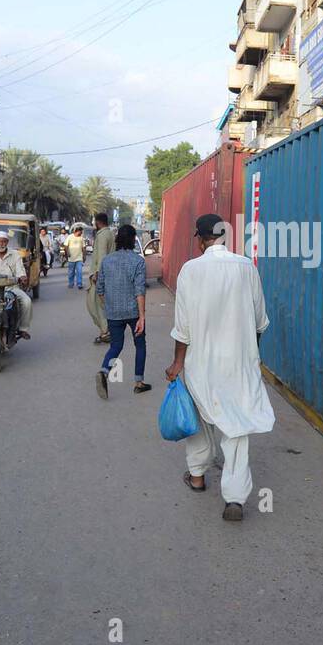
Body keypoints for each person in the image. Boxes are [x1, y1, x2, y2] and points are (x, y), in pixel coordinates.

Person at [165, 213, 274, 523]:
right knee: (237, 427)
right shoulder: (246, 267)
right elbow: (259, 321)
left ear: (200, 239)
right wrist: (251, 357)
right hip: (239, 364)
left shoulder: (190, 270)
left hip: (201, 362)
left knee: (199, 418)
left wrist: (177, 363)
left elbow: (183, 328)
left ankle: (197, 476)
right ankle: (235, 498)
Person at [95, 224, 150, 397]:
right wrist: (142, 316)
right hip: (133, 312)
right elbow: (139, 290)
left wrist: (109, 306)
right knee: (140, 345)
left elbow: (100, 289)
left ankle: (104, 370)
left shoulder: (107, 260)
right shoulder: (138, 261)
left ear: (118, 239)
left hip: (114, 312)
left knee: (116, 346)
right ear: (134, 240)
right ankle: (139, 382)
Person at [86, 212, 116, 343]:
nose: (94, 225)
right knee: (101, 304)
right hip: (107, 274)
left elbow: (102, 255)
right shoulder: (109, 233)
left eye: (94, 222)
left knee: (94, 305)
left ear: (98, 222)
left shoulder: (103, 235)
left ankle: (105, 331)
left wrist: (98, 274)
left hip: (100, 276)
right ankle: (105, 330)